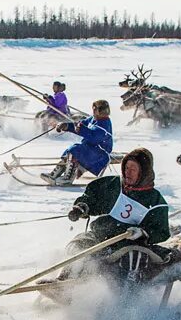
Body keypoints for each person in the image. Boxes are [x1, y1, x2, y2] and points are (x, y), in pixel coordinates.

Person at [66, 147, 171, 277]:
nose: (128, 173)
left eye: (133, 169)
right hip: (100, 236)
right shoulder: (112, 185)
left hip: (127, 244)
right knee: (78, 247)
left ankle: (126, 294)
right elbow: (92, 198)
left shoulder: (156, 202)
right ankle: (64, 282)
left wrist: (142, 232)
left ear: (144, 172)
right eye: (126, 168)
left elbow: (161, 232)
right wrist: (81, 207)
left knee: (134, 258)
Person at [42, 99, 113, 185]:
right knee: (70, 151)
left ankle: (68, 178)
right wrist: (66, 126)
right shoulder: (93, 119)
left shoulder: (104, 125)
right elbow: (79, 125)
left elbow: (93, 136)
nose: (93, 111)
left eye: (95, 109)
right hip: (90, 148)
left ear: (100, 111)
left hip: (100, 153)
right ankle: (55, 174)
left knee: (75, 149)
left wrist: (81, 129)